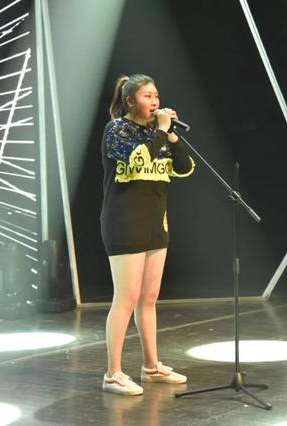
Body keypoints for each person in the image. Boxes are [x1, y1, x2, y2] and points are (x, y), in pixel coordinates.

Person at [100, 74, 195, 395]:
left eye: (156, 96)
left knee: (149, 298)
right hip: (124, 221)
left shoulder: (158, 133)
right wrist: (161, 131)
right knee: (126, 298)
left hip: (155, 221)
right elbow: (137, 157)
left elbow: (183, 167)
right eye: (147, 96)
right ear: (130, 101)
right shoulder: (117, 129)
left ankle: (151, 367)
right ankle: (113, 373)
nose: (154, 102)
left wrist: (172, 137)